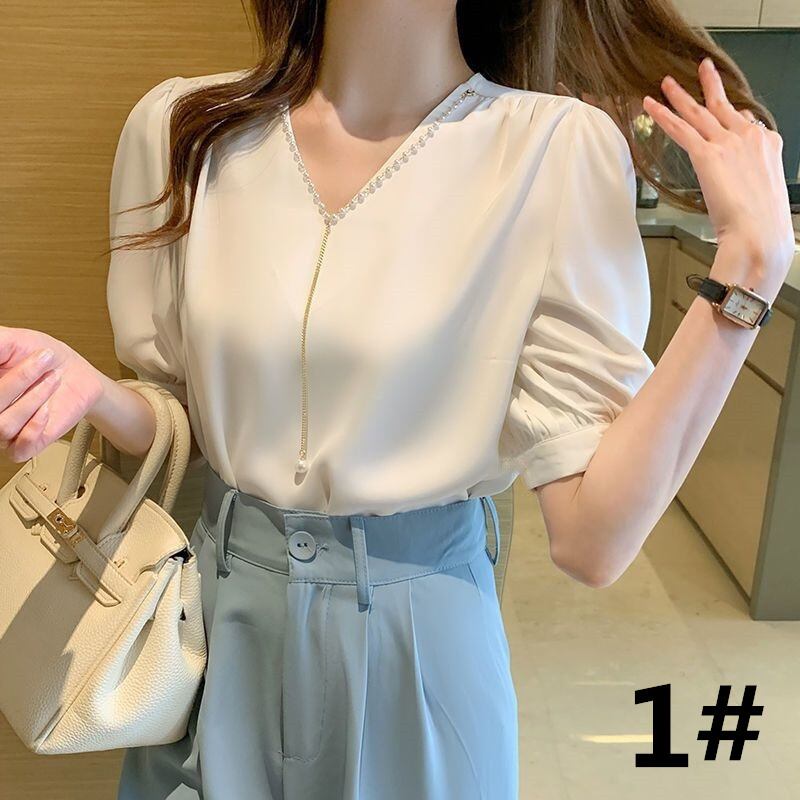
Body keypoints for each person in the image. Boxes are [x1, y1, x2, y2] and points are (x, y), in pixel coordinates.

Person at [0, 1, 794, 798]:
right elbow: (189, 423)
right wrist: (95, 395)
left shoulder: (555, 150)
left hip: (420, 653)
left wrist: (749, 272)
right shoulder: (186, 129)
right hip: (216, 632)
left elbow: (594, 540)